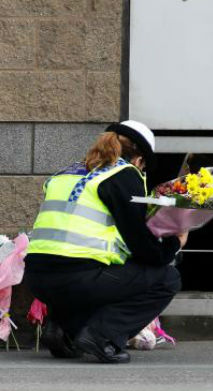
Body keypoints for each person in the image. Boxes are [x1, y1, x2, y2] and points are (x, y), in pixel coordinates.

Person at [23, 120, 187, 364]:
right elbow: (143, 248)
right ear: (139, 159)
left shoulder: (67, 172)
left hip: (37, 278)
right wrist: (175, 243)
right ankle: (102, 336)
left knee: (100, 275)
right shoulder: (124, 175)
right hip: (79, 277)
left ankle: (63, 330)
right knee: (166, 279)